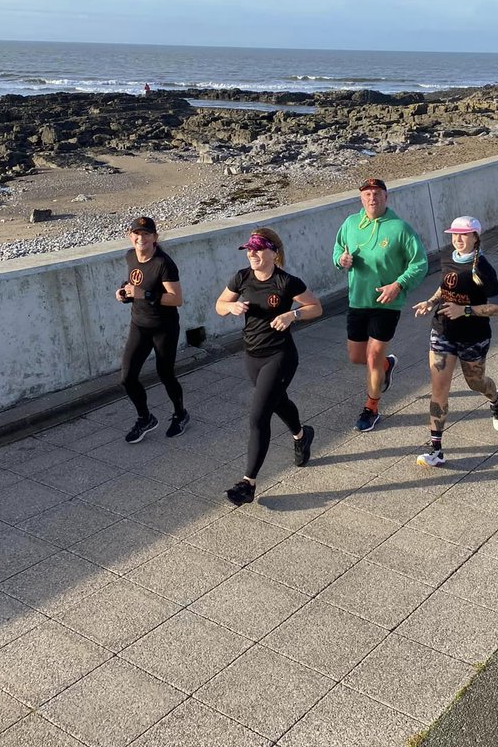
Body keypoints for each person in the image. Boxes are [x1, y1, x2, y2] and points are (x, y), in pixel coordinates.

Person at [215, 228, 322, 505]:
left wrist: (292, 314)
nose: (252, 253)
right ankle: (301, 434)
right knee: (277, 402)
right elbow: (219, 304)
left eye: (258, 248)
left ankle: (247, 483)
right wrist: (232, 307)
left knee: (258, 416)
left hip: (280, 356)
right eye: (249, 249)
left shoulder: (286, 282)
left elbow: (316, 307)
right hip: (252, 355)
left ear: (274, 251)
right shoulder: (242, 277)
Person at [332, 178, 428, 432]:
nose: (371, 198)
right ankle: (387, 365)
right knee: (357, 357)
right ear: (361, 199)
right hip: (357, 300)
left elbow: (419, 263)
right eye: (366, 194)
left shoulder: (400, 228)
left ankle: (371, 407)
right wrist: (340, 260)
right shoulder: (351, 223)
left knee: (373, 354)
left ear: (386, 197)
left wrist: (398, 285)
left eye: (376, 193)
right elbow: (337, 250)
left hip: (388, 303)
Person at [413, 217, 498, 466]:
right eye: (454, 234)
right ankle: (435, 449)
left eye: (464, 234)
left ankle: (496, 400)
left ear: (476, 237)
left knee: (475, 382)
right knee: (439, 388)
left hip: (473, 336)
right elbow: (445, 286)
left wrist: (464, 310)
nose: (458, 239)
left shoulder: (484, 268)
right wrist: (430, 302)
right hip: (442, 330)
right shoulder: (447, 256)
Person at [116, 215, 189, 442]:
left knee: (165, 374)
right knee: (127, 377)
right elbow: (134, 286)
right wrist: (124, 294)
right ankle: (145, 418)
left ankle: (180, 413)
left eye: (146, 234)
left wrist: (144, 295)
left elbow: (176, 299)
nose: (141, 238)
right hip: (139, 325)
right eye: (137, 234)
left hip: (163, 328)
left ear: (155, 238)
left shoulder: (163, 264)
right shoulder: (130, 257)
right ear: (131, 237)